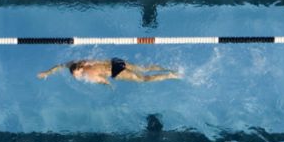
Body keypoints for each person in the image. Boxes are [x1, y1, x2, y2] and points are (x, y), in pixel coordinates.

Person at [38, 58, 179, 85]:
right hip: (115, 61)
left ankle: (170, 75)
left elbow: (104, 80)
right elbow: (59, 66)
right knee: (143, 68)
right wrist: (47, 72)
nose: (76, 76)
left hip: (116, 72)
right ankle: (169, 68)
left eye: (77, 75)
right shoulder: (77, 62)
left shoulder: (90, 74)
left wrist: (109, 86)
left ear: (80, 70)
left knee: (143, 79)